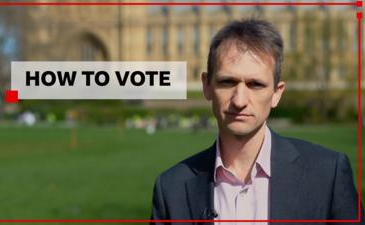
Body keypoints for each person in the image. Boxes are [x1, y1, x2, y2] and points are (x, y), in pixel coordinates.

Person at [150, 18, 364, 224]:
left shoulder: (327, 175)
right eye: (228, 82)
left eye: (255, 84)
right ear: (207, 86)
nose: (240, 100)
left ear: (277, 93)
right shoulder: (171, 188)